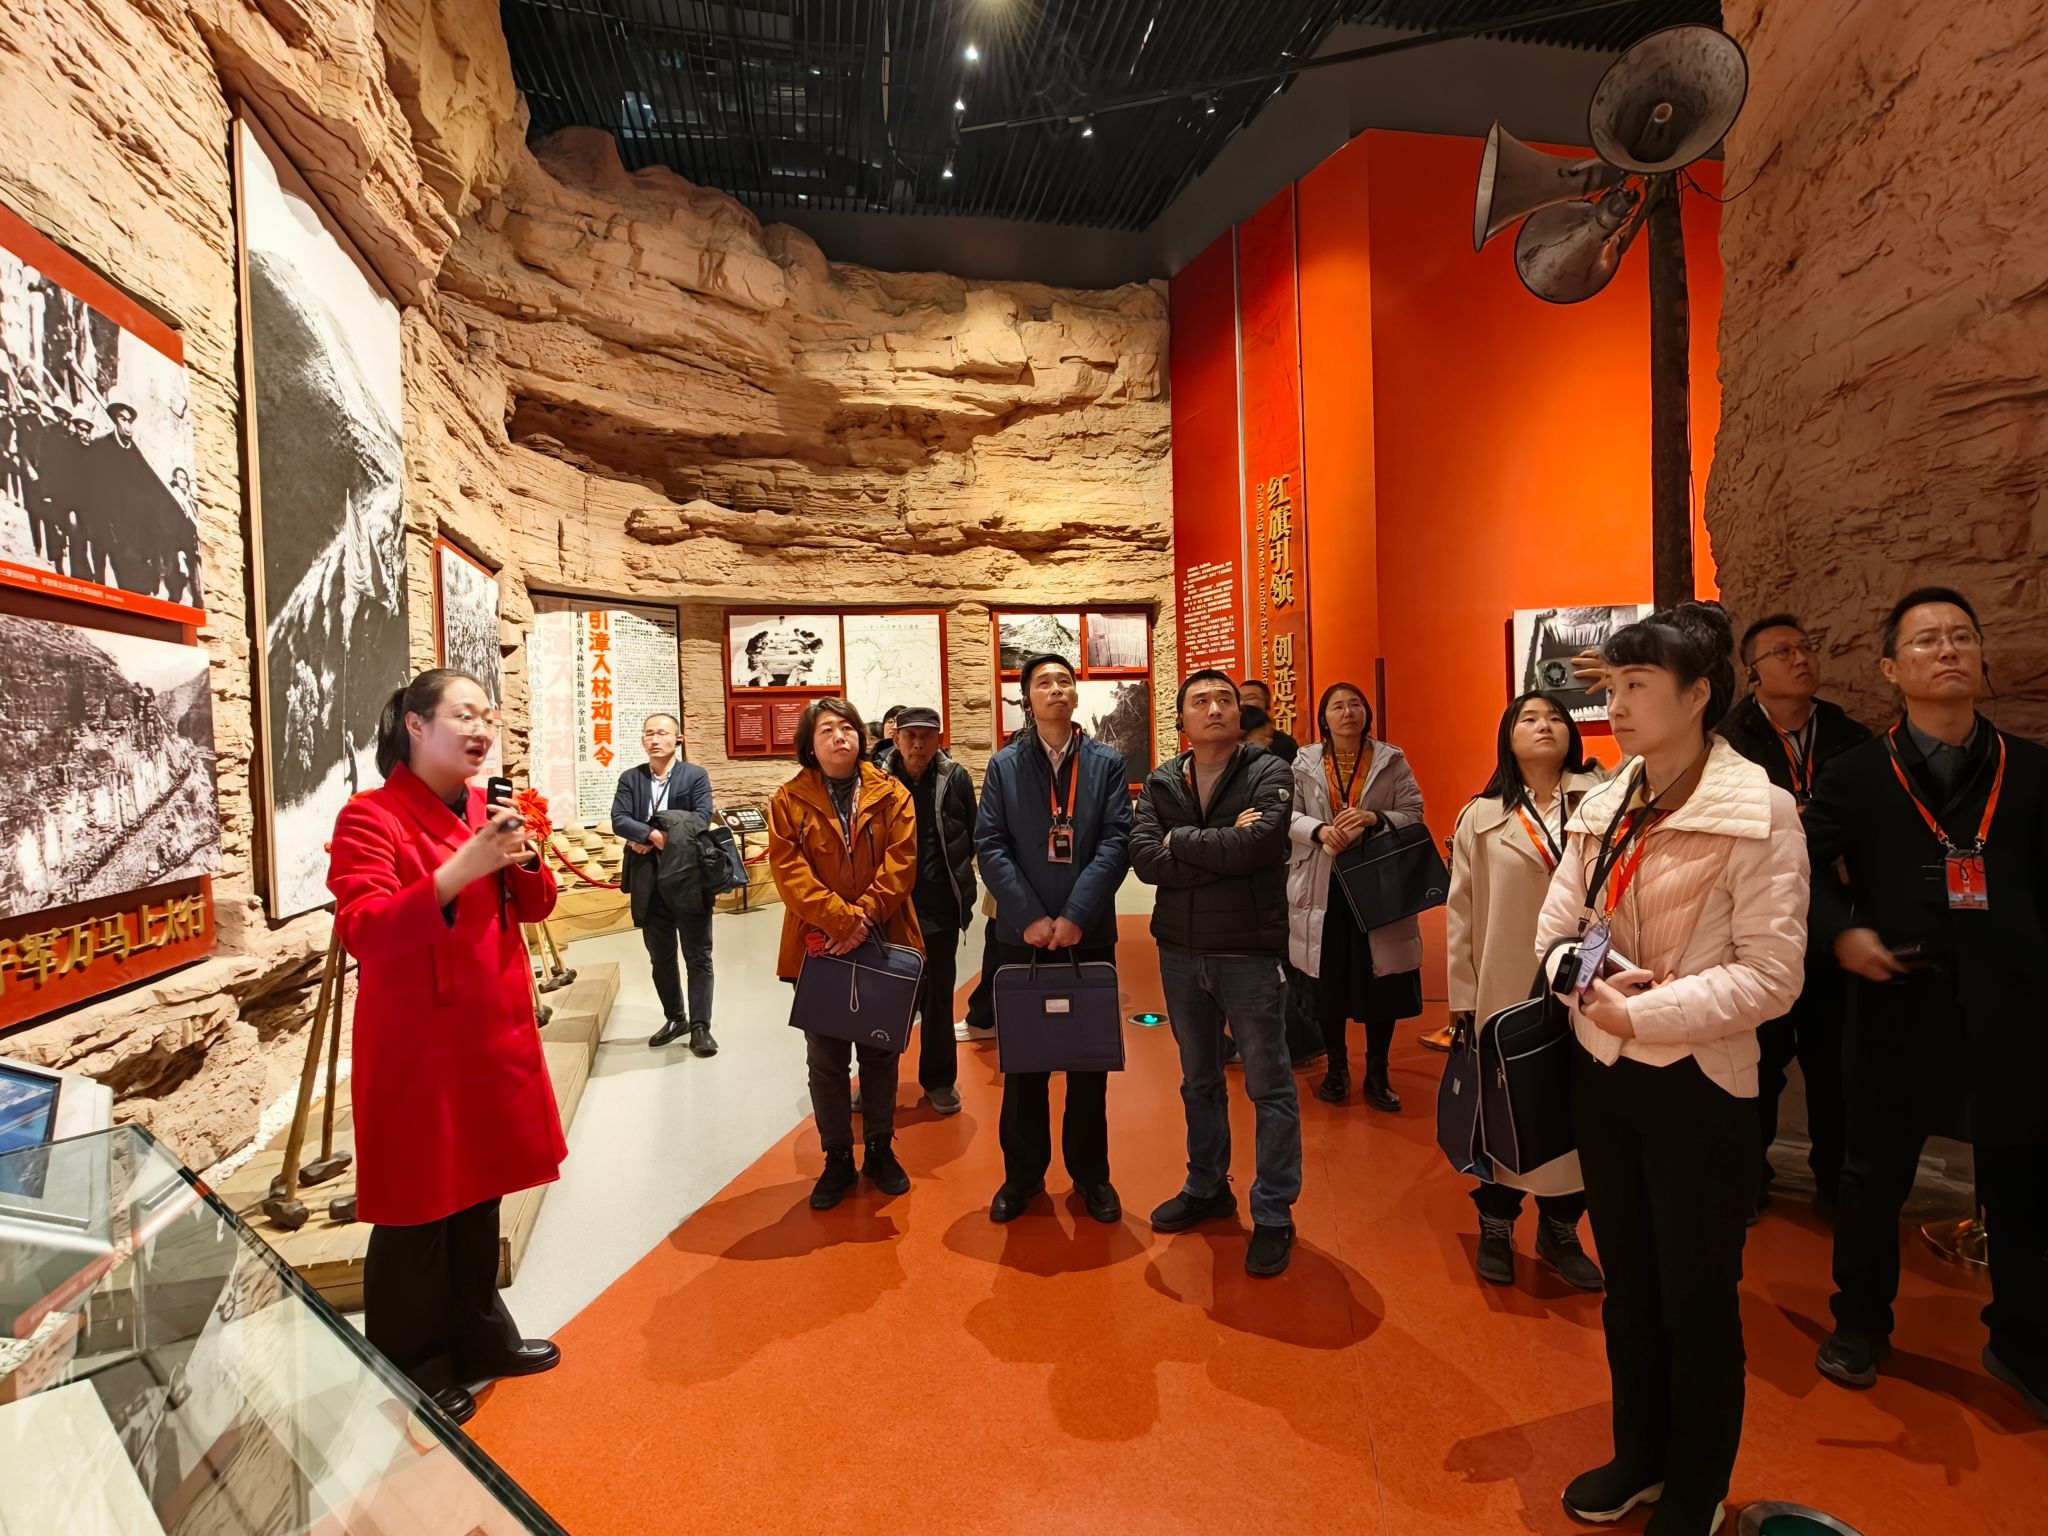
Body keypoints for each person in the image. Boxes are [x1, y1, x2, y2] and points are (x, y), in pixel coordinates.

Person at [1534, 603, 1807, 1536]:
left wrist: (1640, 1010)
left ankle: (1696, 1484)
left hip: (1700, 1086)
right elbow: (1561, 928)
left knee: (1696, 1299)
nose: (1615, 705)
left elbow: (1772, 975)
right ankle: (1639, 1456)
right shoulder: (1605, 802)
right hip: (1603, 1074)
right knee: (1631, 1288)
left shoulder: (1759, 810)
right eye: (1612, 686)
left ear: (1698, 696)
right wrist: (1590, 984)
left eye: (1637, 685)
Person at [1807, 588, 2048, 1422]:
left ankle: (2021, 1339)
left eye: (1961, 638)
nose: (1947, 651)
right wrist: (1843, 931)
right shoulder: (1855, 775)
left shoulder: (2032, 769)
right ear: (1890, 669)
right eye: (1926, 641)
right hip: (1898, 1001)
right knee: (1873, 1177)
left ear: (1981, 658)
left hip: (2014, 1009)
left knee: (2024, 1180)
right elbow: (1801, 871)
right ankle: (1860, 1323)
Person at [325, 670, 565, 1427]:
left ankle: (481, 1334)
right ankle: (413, 1364)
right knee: (416, 1209)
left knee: (481, 1192)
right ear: (416, 725)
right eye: (464, 715)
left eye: (488, 715)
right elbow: (364, 928)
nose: (482, 729)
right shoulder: (370, 817)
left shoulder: (486, 809)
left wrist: (523, 858)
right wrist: (460, 870)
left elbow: (535, 905)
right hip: (419, 1045)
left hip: (491, 1031)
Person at [1131, 669, 1301, 1277]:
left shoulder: (1268, 771)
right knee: (1198, 1080)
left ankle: (1274, 1212)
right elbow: (1145, 860)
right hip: (1180, 952)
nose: (1214, 709)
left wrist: (1180, 841)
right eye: (1200, 701)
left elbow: (1260, 847)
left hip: (1247, 953)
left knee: (1269, 1086)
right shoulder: (1162, 780)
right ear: (1182, 719)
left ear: (1239, 713)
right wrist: (1218, 841)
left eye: (1224, 699)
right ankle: (1207, 1186)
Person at [1445, 692, 1606, 1290]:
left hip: (1591, 983)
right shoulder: (1481, 816)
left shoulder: (1604, 801)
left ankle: (1561, 1229)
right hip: (1505, 983)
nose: (1545, 726)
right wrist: (1463, 994)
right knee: (1506, 1102)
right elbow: (1460, 910)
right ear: (1507, 738)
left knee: (1578, 1105)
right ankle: (1496, 1223)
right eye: (1528, 719)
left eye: (1556, 718)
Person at [1719, 613, 1870, 1217]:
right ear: (1753, 674)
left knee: (1836, 1067)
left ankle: (1836, 1186)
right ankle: (1747, 1179)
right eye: (1783, 652)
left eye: (1806, 647)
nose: (1801, 658)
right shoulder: (1727, 742)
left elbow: (1866, 830)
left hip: (1833, 928)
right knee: (1758, 1062)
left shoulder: (1851, 737)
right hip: (1755, 928)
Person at [976, 654, 1131, 1223]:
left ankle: (1091, 1176)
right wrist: (1030, 918)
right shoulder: (1004, 765)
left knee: (1089, 1062)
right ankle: (1022, 1178)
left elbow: (1116, 841)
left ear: (1075, 695)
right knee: (1024, 1065)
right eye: (1044, 683)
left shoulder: (1106, 763)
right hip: (1023, 937)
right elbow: (990, 844)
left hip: (1088, 934)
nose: (1056, 689)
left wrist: (1075, 916)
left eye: (1065, 681)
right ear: (1028, 698)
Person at [768, 698, 922, 1211]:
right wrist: (841, 921)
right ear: (810, 745)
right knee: (827, 1058)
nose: (840, 737)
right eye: (827, 730)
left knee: (881, 1051)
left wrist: (864, 917)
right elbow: (789, 872)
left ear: (861, 737)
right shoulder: (787, 801)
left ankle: (879, 1147)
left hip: (883, 936)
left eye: (848, 728)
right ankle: (836, 1156)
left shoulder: (893, 793)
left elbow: (902, 862)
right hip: (819, 946)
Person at [1285, 681, 1426, 1112]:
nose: (1347, 713)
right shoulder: (1305, 761)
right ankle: (1337, 1068)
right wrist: (1319, 831)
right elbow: (1287, 815)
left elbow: (1414, 813)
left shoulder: (1391, 759)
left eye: (1355, 705)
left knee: (1380, 981)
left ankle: (1378, 1072)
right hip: (1322, 885)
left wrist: (1373, 818)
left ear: (1366, 713)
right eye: (1337, 706)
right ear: (1324, 718)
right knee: (1327, 982)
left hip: (1377, 884)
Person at [888, 706, 978, 1115]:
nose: (918, 744)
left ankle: (939, 1080)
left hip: (939, 909)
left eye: (926, 736)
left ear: (939, 739)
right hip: (890, 909)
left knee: (939, 1001)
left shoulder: (955, 778)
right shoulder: (878, 779)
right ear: (896, 738)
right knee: (885, 999)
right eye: (911, 736)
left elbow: (972, 833)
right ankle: (877, 1080)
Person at [612, 713, 718, 1055]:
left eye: (662, 733)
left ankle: (701, 1026)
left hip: (688, 874)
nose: (654, 739)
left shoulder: (694, 775)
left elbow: (700, 817)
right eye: (648, 734)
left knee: (698, 955)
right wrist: (650, 835)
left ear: (678, 738)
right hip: (647, 877)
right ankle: (676, 1018)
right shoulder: (631, 778)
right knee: (661, 956)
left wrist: (655, 834)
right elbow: (619, 819)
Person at [1238, 679, 1298, 762]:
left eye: (1250, 698)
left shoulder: (1285, 744)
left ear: (1267, 704)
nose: (1242, 703)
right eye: (1238, 699)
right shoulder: (1226, 738)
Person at [872, 704, 906, 773]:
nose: (894, 727)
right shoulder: (874, 750)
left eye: (900, 722)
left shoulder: (907, 754)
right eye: (890, 722)